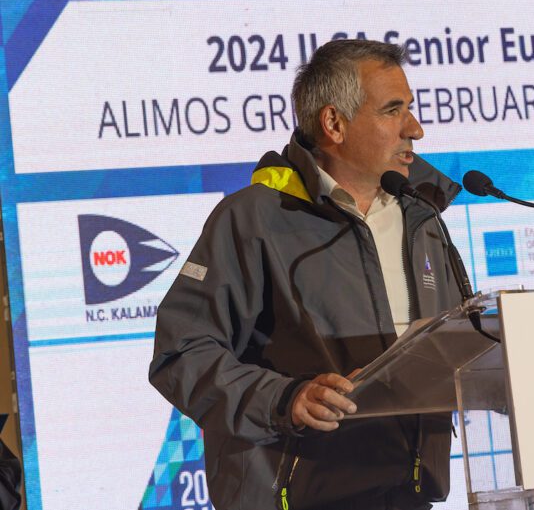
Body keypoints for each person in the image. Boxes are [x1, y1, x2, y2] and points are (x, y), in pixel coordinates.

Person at [150, 39, 463, 510]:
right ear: (334, 123)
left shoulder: (423, 217)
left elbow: (456, 344)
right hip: (296, 497)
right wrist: (285, 399)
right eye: (393, 111)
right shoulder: (253, 219)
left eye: (410, 109)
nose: (415, 129)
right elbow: (181, 352)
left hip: (409, 495)